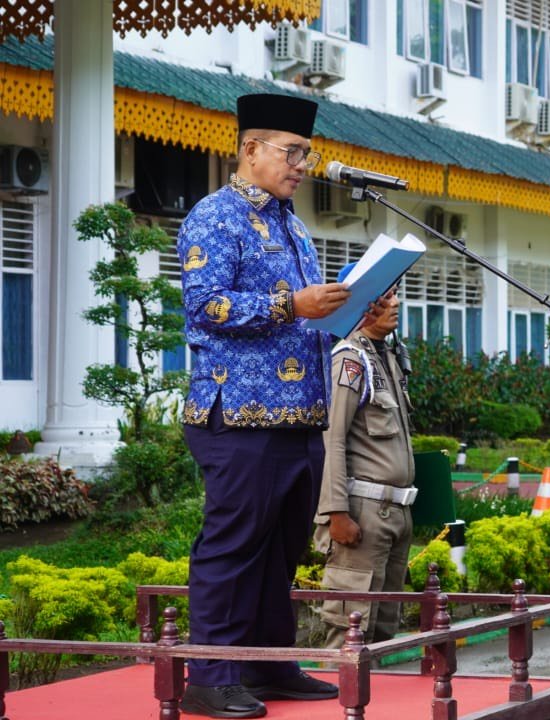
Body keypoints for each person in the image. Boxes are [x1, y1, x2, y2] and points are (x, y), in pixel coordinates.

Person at [178, 93, 349, 718]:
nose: (303, 165)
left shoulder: (293, 223)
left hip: (300, 416)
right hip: (240, 417)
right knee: (232, 547)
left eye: (308, 154)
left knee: (282, 549)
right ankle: (211, 675)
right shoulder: (214, 217)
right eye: (293, 152)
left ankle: (268, 665)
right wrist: (290, 305)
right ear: (251, 150)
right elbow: (205, 306)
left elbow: (309, 320)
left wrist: (356, 319)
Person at [314, 265, 417, 649]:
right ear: (363, 303)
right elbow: (333, 439)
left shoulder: (387, 356)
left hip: (395, 514)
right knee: (350, 633)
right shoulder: (351, 358)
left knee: (385, 632)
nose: (396, 303)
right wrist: (336, 513)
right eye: (386, 296)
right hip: (364, 514)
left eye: (395, 294)